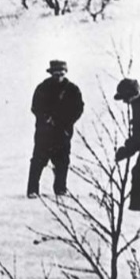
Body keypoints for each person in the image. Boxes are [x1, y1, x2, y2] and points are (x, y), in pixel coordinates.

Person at [27, 60, 85, 198]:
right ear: (51, 73)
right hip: (44, 132)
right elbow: (35, 107)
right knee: (38, 160)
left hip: (63, 132)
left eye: (61, 73)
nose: (59, 76)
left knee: (62, 161)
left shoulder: (73, 90)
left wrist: (65, 123)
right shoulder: (42, 88)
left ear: (65, 73)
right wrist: (46, 119)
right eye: (56, 73)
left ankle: (60, 189)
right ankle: (32, 190)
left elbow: (78, 109)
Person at [113, 78, 140, 211]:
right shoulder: (137, 102)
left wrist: (129, 149)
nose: (124, 102)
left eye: (125, 98)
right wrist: (127, 150)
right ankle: (137, 209)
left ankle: (138, 209)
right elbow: (139, 133)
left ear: (132, 94)